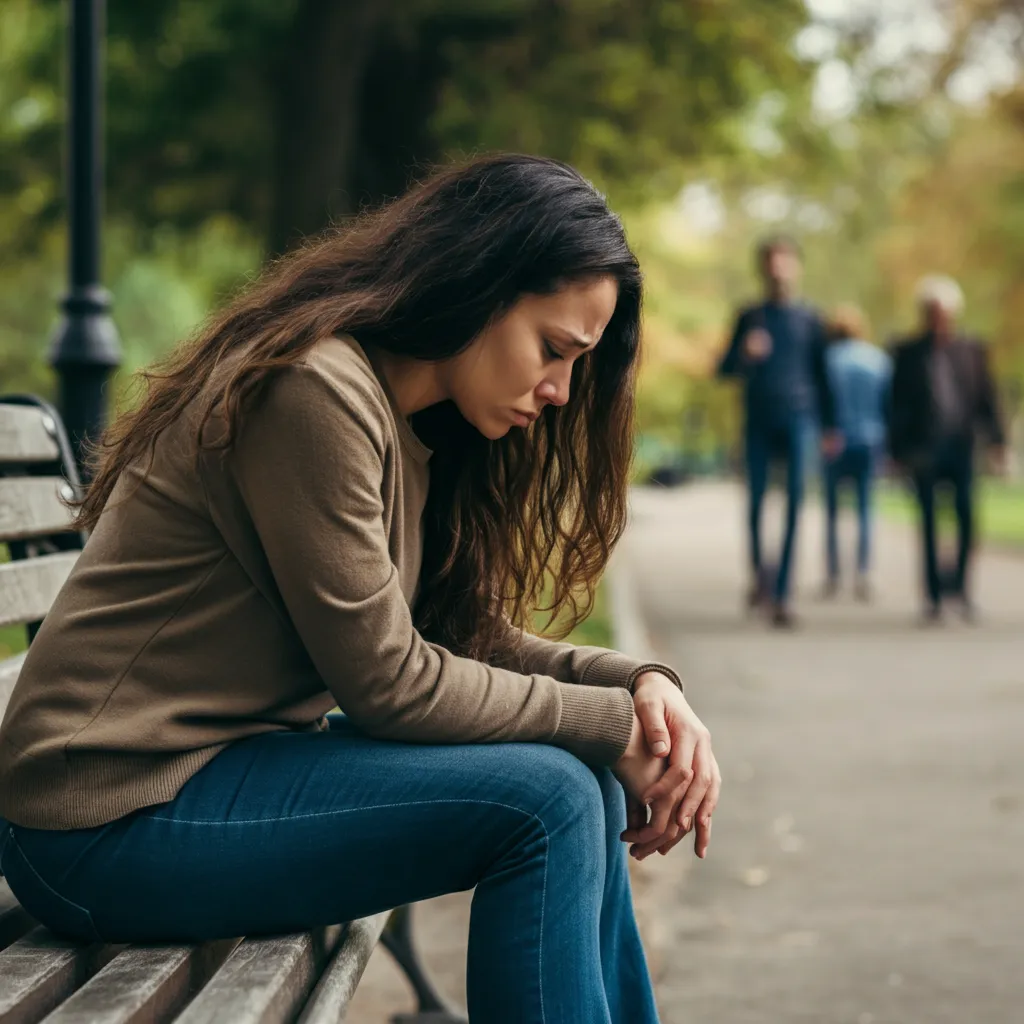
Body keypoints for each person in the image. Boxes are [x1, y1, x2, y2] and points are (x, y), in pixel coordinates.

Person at [0, 155, 721, 1023]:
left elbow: (457, 635)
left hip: (209, 777)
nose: (562, 391)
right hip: (103, 822)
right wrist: (607, 727)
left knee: (582, 784)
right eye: (553, 349)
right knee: (552, 800)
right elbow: (392, 686)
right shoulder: (314, 391)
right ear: (481, 283)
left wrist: (635, 688)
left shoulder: (408, 423)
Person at [718, 235, 840, 628]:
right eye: (772, 262)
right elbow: (723, 369)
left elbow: (823, 377)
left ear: (796, 267)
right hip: (758, 421)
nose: (778, 269)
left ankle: (782, 595)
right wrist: (743, 354)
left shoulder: (810, 319)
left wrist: (831, 426)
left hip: (800, 419)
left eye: (785, 261)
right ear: (763, 269)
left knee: (794, 506)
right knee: (755, 505)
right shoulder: (749, 316)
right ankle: (762, 578)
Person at [889, 275, 1006, 622]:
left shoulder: (972, 349)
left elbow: (987, 396)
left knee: (967, 518)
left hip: (961, 444)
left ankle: (962, 589)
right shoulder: (907, 352)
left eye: (942, 310)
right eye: (931, 310)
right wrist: (896, 450)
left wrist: (997, 441)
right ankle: (934, 596)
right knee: (927, 521)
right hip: (924, 447)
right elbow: (896, 405)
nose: (937, 316)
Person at [821, 304, 892, 600]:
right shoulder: (878, 360)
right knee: (865, 509)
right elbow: (888, 405)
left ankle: (834, 575)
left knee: (833, 512)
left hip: (834, 441)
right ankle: (863, 573)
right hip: (870, 440)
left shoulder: (827, 360)